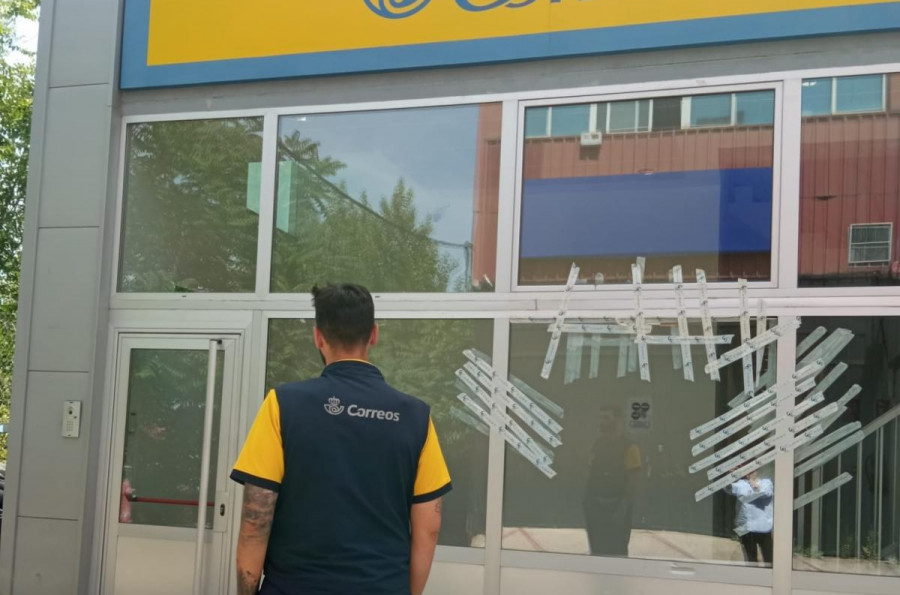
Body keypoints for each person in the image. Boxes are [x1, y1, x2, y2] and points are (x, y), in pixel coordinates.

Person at [230, 283, 452, 595]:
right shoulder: (416, 416)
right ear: (373, 334)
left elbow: (256, 519)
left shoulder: (281, 405)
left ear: (318, 336)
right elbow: (429, 527)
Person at [583, 405, 642, 556]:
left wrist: (623, 508)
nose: (602, 421)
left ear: (618, 420)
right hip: (596, 507)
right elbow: (591, 473)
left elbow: (633, 481)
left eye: (606, 417)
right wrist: (588, 503)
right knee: (597, 551)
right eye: (600, 418)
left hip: (616, 508)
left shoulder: (630, 447)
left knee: (617, 552)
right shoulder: (598, 444)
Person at [728, 470, 774, 565]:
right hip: (745, 527)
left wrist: (755, 485)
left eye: (753, 470)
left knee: (769, 559)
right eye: (748, 470)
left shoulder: (766, 483)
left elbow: (765, 494)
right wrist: (731, 475)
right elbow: (729, 488)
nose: (750, 472)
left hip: (763, 526)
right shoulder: (741, 483)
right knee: (750, 559)